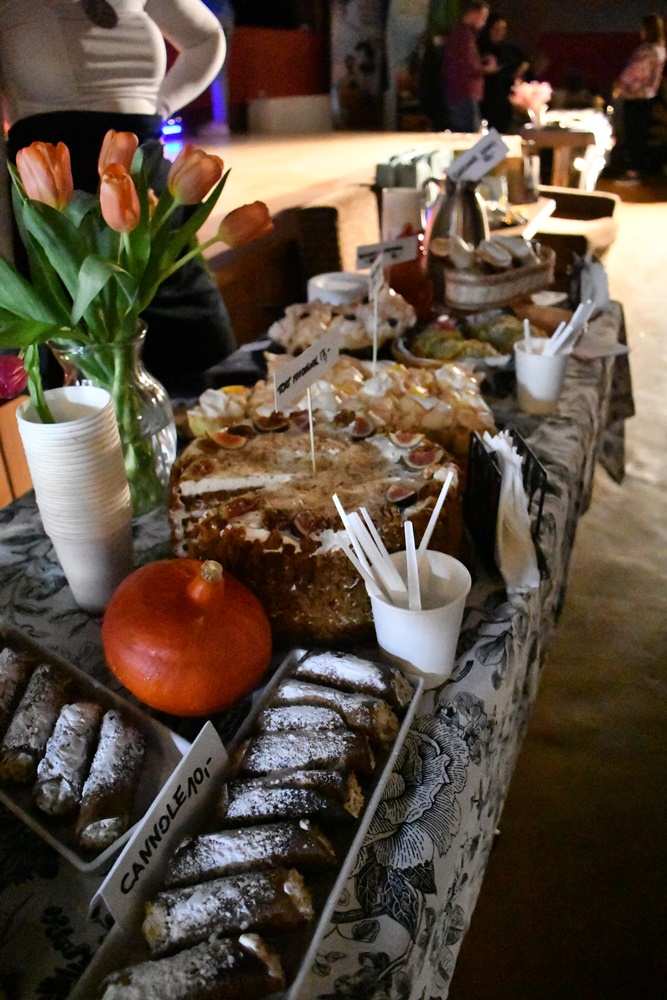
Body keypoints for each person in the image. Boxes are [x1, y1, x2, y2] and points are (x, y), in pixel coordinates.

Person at [0, 0, 236, 394]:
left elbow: (206, 39)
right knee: (95, 373)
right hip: (60, 199)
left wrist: (158, 108)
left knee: (204, 352)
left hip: (146, 185)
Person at [612, 12, 666, 180]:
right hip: (648, 96)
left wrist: (619, 85)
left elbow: (633, 72)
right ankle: (638, 169)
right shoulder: (660, 49)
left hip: (637, 97)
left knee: (634, 134)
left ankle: (634, 171)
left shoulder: (647, 51)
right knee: (640, 134)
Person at [441, 0, 498, 133]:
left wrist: (481, 60)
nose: (484, 22)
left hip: (461, 92)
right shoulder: (463, 36)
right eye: (483, 17)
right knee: (468, 135)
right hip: (464, 92)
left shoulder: (464, 34)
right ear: (473, 13)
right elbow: (465, 65)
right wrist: (486, 69)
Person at [478, 12, 530, 133]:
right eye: (496, 29)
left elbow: (524, 62)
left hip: (505, 99)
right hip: (487, 98)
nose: (499, 32)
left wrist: (517, 75)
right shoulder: (480, 48)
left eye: (502, 29)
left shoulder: (509, 49)